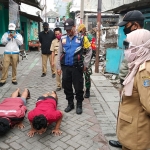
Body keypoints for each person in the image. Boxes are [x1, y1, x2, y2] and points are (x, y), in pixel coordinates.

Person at [110, 10, 150, 150]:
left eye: (126, 25)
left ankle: (129, 138)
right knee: (126, 112)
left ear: (135, 25)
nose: (124, 28)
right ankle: (124, 137)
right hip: (128, 84)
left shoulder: (141, 44)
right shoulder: (133, 41)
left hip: (138, 135)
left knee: (133, 112)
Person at [57, 18, 92, 114]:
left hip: (77, 67)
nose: (68, 31)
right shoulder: (63, 39)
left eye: (70, 29)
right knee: (67, 86)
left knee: (78, 87)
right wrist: (59, 67)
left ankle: (79, 104)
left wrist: (86, 64)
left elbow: (89, 50)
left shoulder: (82, 38)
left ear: (74, 27)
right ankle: (70, 103)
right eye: (66, 30)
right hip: (66, 67)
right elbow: (59, 53)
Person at [77, 24, 93, 98]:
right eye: (80, 30)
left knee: (87, 75)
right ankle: (79, 89)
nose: (81, 31)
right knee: (78, 76)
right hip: (79, 58)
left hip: (87, 58)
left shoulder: (89, 37)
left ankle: (87, 90)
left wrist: (86, 63)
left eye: (82, 30)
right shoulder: (77, 37)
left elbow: (90, 50)